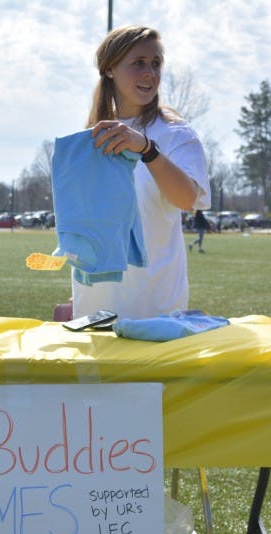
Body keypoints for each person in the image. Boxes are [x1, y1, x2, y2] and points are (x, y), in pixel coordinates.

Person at [69, 25, 210, 320]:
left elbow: (186, 199)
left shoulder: (176, 134)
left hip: (155, 309)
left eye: (156, 63)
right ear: (110, 69)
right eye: (138, 63)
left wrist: (148, 149)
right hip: (92, 309)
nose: (150, 73)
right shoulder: (89, 137)